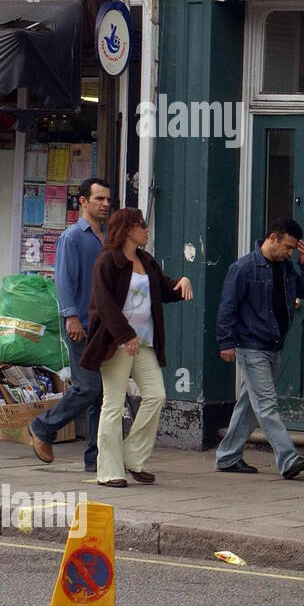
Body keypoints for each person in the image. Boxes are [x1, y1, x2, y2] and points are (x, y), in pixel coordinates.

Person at [81, 208, 192, 487]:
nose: (146, 230)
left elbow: (165, 290)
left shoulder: (146, 260)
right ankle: (109, 471)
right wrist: (124, 334)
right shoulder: (108, 261)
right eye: (142, 226)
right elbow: (103, 304)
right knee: (113, 405)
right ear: (128, 229)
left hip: (144, 343)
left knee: (156, 395)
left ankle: (133, 457)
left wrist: (182, 282)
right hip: (116, 343)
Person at [214, 218, 304, 479]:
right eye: (288, 247)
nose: (290, 253)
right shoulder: (244, 268)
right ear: (273, 238)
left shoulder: (286, 267)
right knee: (267, 405)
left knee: (250, 403)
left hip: (274, 345)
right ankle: (288, 459)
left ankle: (227, 456)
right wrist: (225, 342)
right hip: (251, 346)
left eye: (294, 249)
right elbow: (228, 307)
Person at [29, 176, 112, 470]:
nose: (105, 204)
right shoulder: (72, 237)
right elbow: (63, 279)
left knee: (101, 394)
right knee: (88, 387)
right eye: (99, 199)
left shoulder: (105, 236)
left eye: (107, 199)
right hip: (82, 324)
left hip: (104, 327)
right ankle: (43, 427)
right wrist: (71, 316)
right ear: (83, 202)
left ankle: (95, 458)